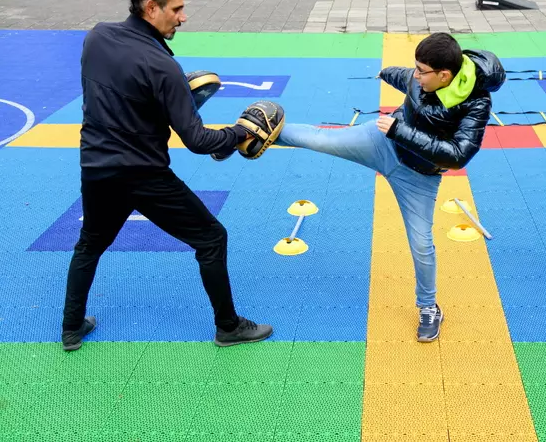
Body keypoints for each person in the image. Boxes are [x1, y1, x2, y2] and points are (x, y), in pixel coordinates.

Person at [217, 33, 506, 342]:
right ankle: (238, 136)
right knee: (319, 138)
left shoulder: (476, 104)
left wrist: (401, 131)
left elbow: (458, 156)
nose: (416, 75)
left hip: (418, 177)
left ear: (444, 75)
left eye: (422, 71)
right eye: (416, 68)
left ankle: (428, 307)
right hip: (381, 143)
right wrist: (384, 73)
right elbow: (403, 76)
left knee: (422, 245)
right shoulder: (422, 78)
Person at [60, 0, 272, 351]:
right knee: (211, 238)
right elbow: (198, 142)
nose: (183, 17)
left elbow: (120, 96)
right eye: (176, 9)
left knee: (89, 243)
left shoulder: (96, 36)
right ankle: (228, 326)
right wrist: (240, 131)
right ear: (150, 6)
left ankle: (71, 328)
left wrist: (173, 103)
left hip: (96, 168)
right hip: (143, 176)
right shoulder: (163, 67)